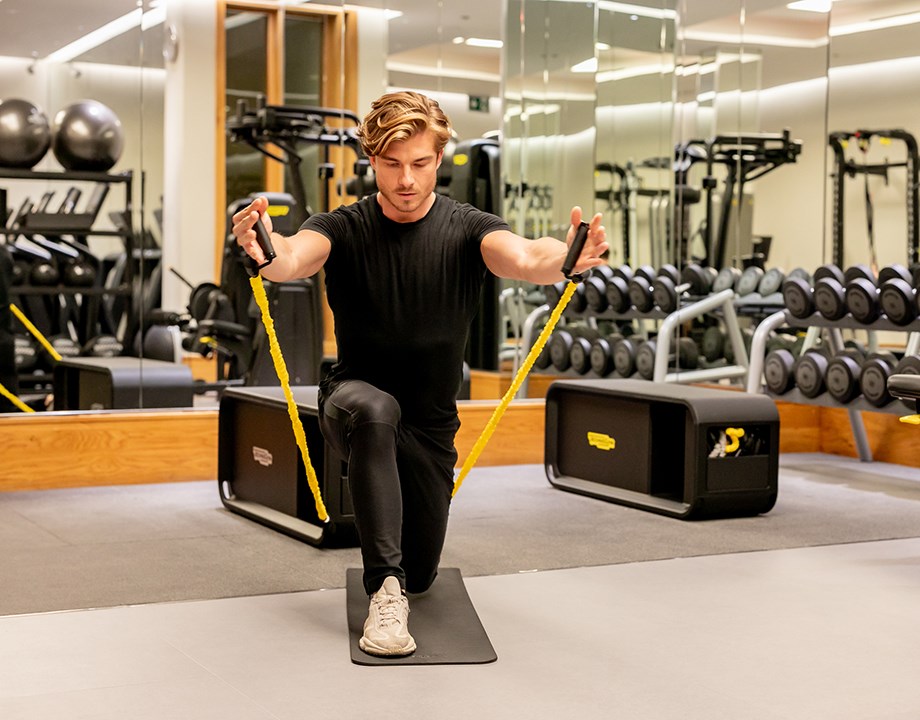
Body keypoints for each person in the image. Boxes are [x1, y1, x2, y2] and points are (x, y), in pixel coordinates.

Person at [232, 90, 607, 657]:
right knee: (376, 411)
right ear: (372, 160)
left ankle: (404, 578)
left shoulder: (468, 228)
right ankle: (384, 591)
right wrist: (265, 244)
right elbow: (292, 256)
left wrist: (567, 256)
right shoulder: (344, 226)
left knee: (424, 573)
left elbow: (529, 256)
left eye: (420, 163)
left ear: (439, 158)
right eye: (391, 164)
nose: (406, 179)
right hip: (353, 401)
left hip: (430, 425)